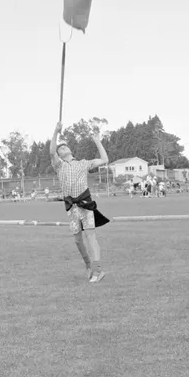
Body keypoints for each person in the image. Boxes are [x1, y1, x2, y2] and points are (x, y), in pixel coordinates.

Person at [50, 121, 109, 283]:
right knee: (77, 239)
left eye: (64, 146)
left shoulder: (83, 163)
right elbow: (51, 152)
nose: (61, 148)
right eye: (59, 148)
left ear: (70, 150)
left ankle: (98, 271)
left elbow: (104, 159)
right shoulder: (59, 166)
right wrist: (55, 132)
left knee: (91, 237)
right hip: (72, 208)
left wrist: (97, 141)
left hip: (85, 204)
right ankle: (89, 265)